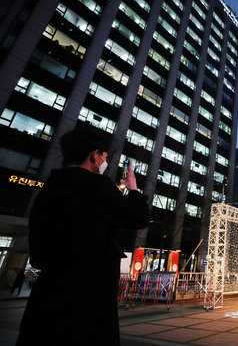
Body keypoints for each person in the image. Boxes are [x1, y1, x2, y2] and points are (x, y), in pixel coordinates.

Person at [17, 128, 150, 346]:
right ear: (94, 155)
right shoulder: (96, 186)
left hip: (46, 300)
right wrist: (133, 189)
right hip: (89, 304)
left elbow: (38, 255)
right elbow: (138, 218)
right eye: (105, 157)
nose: (104, 162)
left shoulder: (48, 190)